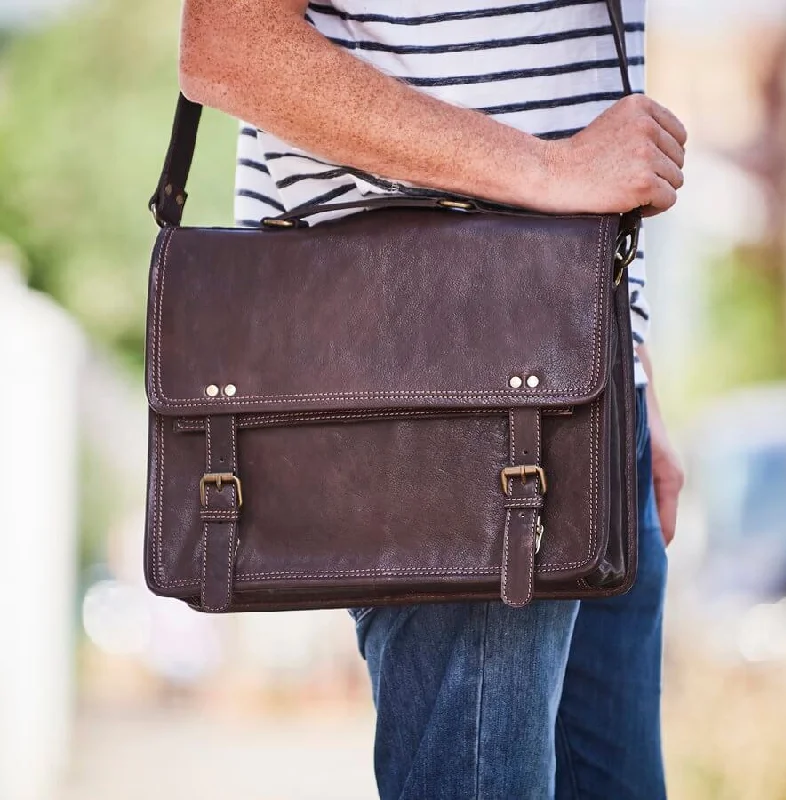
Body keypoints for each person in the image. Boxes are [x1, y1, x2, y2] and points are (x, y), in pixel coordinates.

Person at [178, 1, 686, 797]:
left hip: (587, 381)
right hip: (447, 401)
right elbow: (229, 45)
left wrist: (629, 367)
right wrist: (552, 171)